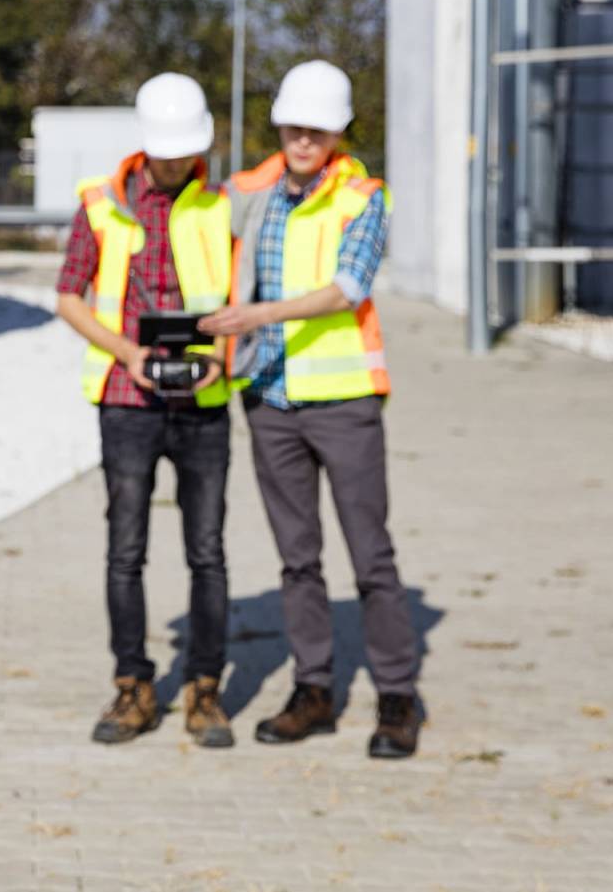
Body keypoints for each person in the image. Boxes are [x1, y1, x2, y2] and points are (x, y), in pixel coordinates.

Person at [199, 59, 421, 760]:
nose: (303, 140)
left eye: (317, 130)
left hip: (344, 400)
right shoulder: (248, 192)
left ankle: (397, 695)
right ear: (279, 126)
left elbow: (349, 287)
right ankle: (313, 689)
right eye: (294, 127)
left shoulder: (362, 198)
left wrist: (256, 315)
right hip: (269, 398)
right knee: (297, 560)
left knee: (370, 555)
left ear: (338, 133)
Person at [54, 73, 235, 749]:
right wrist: (127, 352)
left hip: (203, 402)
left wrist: (222, 354)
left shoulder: (224, 205)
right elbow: (68, 296)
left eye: (187, 151)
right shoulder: (100, 205)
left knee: (207, 551)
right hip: (127, 402)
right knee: (125, 550)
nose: (177, 162)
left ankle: (205, 688)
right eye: (168, 151)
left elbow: (242, 296)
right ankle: (133, 684)